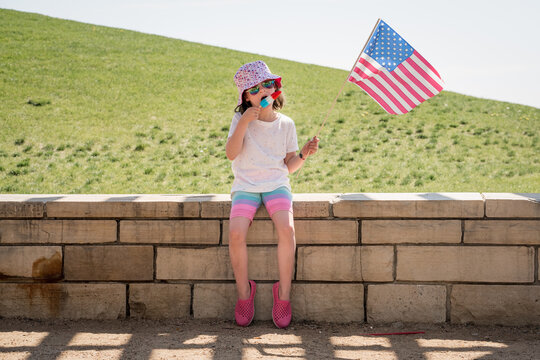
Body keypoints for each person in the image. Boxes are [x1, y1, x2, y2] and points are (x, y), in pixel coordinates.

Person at [226, 60, 319, 328]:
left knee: (287, 229)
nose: (263, 91)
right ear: (245, 97)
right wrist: (244, 121)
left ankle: (283, 295)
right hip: (246, 186)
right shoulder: (239, 119)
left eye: (268, 84)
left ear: (275, 88)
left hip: (276, 184)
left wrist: (303, 154)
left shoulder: (286, 124)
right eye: (255, 89)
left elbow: (289, 166)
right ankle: (245, 294)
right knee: (235, 233)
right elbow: (231, 154)